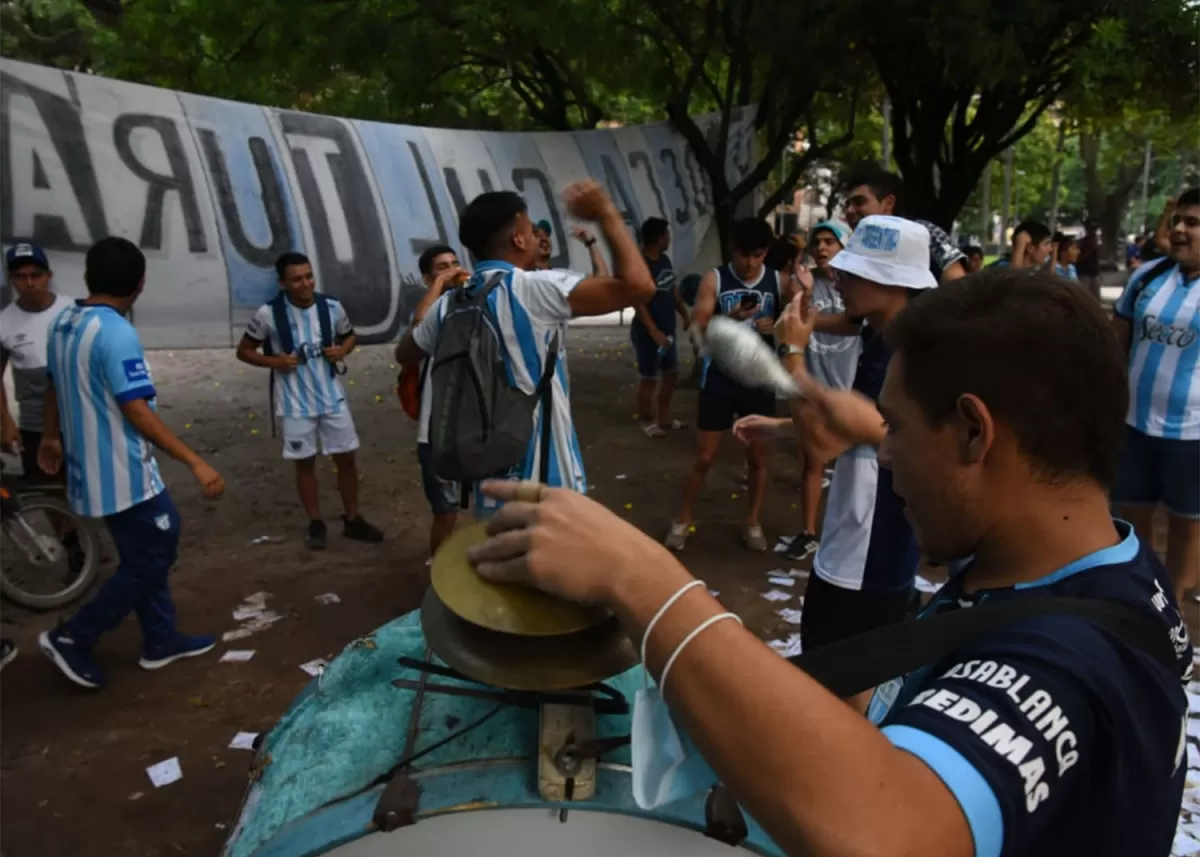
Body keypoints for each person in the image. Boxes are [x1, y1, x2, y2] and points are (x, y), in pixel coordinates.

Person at [465, 269, 1192, 857]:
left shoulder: (1065, 663)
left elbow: (888, 835)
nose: (882, 449)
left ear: (974, 432)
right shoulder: (1097, 561)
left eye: (896, 429)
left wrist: (643, 576)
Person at [737, 217, 932, 682]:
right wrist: (784, 426)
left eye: (853, 272)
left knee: (842, 684)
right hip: (861, 541)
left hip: (868, 552)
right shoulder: (886, 333)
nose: (838, 278)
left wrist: (792, 360)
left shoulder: (904, 356)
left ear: (890, 282)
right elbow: (857, 431)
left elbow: (828, 439)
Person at [37, 237, 225, 690]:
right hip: (124, 473)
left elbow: (51, 385)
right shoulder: (117, 331)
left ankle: (160, 639)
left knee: (144, 553)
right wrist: (195, 462)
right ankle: (72, 636)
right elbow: (136, 409)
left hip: (90, 471)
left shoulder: (64, 321)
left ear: (88, 277)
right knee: (156, 549)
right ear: (141, 283)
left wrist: (48, 436)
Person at [394, 182, 655, 505]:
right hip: (545, 482)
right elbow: (640, 287)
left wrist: (435, 293)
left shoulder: (450, 305)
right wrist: (606, 214)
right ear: (517, 238)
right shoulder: (533, 288)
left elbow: (405, 352)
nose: (536, 237)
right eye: (531, 231)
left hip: (487, 479)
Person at [665, 218, 796, 553]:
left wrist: (777, 327)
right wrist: (732, 318)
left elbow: (801, 322)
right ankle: (682, 519)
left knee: (757, 458)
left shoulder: (778, 282)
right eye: (743, 255)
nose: (750, 263)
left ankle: (752, 522)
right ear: (732, 251)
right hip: (721, 377)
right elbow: (698, 328)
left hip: (758, 380)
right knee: (705, 457)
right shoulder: (716, 278)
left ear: (766, 252)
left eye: (758, 255)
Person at [236, 252, 383, 550]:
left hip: (332, 397)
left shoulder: (331, 306)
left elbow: (350, 336)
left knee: (347, 459)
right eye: (296, 279)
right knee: (304, 464)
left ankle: (352, 518)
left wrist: (342, 351)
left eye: (308, 276)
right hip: (294, 403)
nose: (305, 284)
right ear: (282, 283)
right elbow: (244, 350)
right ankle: (315, 522)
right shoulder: (268, 314)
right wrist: (276, 361)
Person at [1110, 186, 1200, 606]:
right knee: (1130, 520)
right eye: (1178, 220)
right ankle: (1141, 605)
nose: (1179, 229)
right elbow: (1117, 344)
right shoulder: (1145, 277)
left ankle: (1176, 618)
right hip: (1135, 425)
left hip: (1193, 435)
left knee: (1188, 525)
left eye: (1193, 223)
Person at [780, 220, 861, 563]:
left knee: (854, 467)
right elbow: (795, 320)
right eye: (818, 242)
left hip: (851, 387)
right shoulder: (803, 281)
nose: (823, 248)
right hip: (814, 383)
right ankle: (809, 533)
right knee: (812, 461)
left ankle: (847, 534)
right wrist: (806, 292)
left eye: (831, 242)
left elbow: (856, 322)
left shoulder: (856, 287)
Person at [404, 244, 469, 558]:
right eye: (443, 267)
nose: (454, 269)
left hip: (472, 428)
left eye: (455, 263)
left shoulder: (470, 303)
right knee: (445, 510)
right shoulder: (432, 310)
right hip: (436, 432)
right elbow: (418, 325)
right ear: (428, 279)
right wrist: (443, 285)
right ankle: (438, 575)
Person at [0, 243, 74, 480]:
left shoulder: (72, 310)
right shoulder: (4, 323)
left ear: (48, 276)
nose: (29, 283)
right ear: (11, 279)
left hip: (79, 420)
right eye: (21, 277)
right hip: (35, 426)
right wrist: (6, 422)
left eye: (35, 275)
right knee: (48, 494)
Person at [842, 165, 967, 282]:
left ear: (888, 203)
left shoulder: (924, 233)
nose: (850, 211)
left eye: (859, 202)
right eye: (847, 205)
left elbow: (956, 281)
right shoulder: (852, 250)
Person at [630, 217, 689, 438]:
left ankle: (664, 417)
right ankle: (647, 420)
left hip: (668, 330)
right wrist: (653, 331)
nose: (669, 239)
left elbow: (671, 289)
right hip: (648, 332)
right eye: (667, 234)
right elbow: (638, 302)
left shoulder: (664, 260)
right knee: (649, 377)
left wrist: (683, 312)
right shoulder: (640, 265)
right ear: (659, 237)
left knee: (671, 373)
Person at [1077, 221, 1101, 300]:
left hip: (1094, 273)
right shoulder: (1083, 242)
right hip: (1084, 273)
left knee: (1095, 297)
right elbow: (1079, 257)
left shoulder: (1096, 242)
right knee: (1085, 296)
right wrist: (1089, 251)